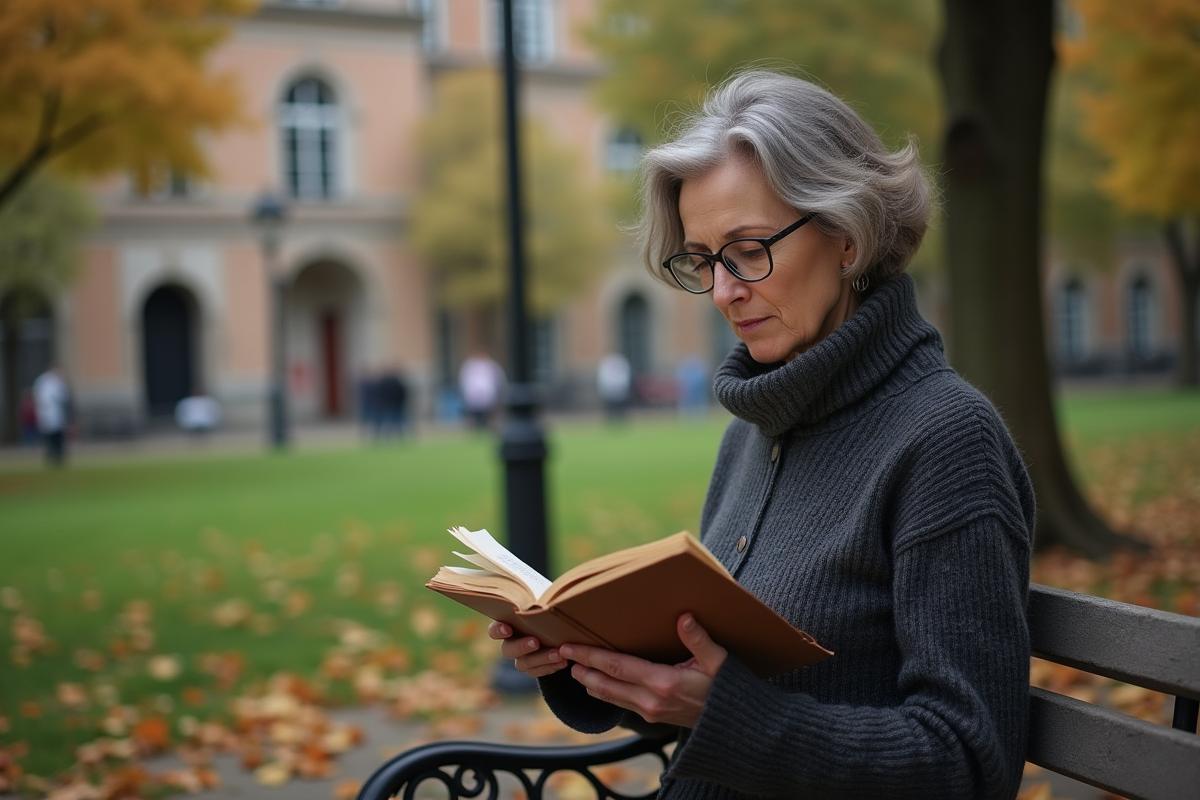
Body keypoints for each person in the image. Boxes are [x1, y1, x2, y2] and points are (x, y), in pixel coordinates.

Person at [489, 70, 1034, 800]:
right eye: (704, 260)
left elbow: (969, 765)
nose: (723, 291)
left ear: (847, 237)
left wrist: (733, 716)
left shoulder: (946, 441)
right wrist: (587, 663)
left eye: (749, 249)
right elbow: (713, 678)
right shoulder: (754, 430)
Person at [32, 364, 71, 467]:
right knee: (51, 438)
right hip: (48, 414)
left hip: (55, 415)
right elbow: (46, 398)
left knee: (58, 438)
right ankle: (52, 457)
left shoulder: (57, 382)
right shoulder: (45, 382)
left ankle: (58, 457)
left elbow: (64, 397)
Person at [458, 350, 505, 431]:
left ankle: (489, 428)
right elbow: (465, 380)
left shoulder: (491, 365)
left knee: (488, 415)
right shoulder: (470, 365)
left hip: (488, 394)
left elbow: (499, 379)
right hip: (473, 395)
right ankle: (474, 429)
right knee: (474, 415)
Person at [596, 352, 632, 422]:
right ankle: (611, 419)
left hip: (619, 387)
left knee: (620, 405)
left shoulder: (621, 362)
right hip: (610, 387)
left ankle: (620, 418)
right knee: (610, 406)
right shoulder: (607, 363)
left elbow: (624, 375)